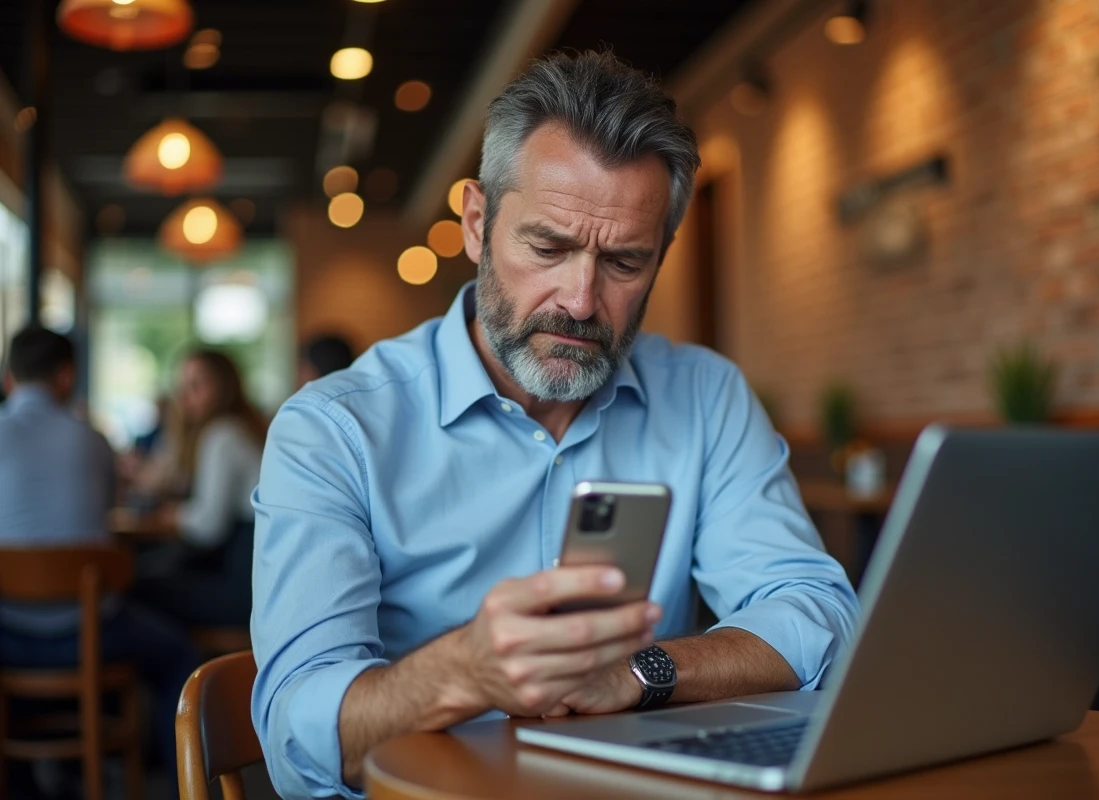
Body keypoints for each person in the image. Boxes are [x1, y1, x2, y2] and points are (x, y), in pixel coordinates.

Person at [251, 50, 859, 799]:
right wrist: (464, 670)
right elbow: (297, 740)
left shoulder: (705, 396)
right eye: (548, 247)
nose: (579, 299)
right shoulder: (335, 429)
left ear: (662, 256)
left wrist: (643, 672)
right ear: (477, 224)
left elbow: (819, 615)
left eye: (625, 263)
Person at [0, 325, 199, 798]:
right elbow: (107, 514)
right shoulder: (92, 440)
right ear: (66, 378)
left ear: (10, 377)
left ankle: (26, 776)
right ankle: (182, 787)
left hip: (6, 636)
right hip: (87, 633)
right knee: (181, 655)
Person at [135, 349, 267, 626]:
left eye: (197, 385)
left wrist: (174, 515)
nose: (184, 396)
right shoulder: (237, 429)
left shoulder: (223, 436)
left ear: (224, 387)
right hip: (257, 582)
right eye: (182, 386)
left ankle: (187, 667)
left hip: (246, 592)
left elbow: (209, 526)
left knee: (134, 586)